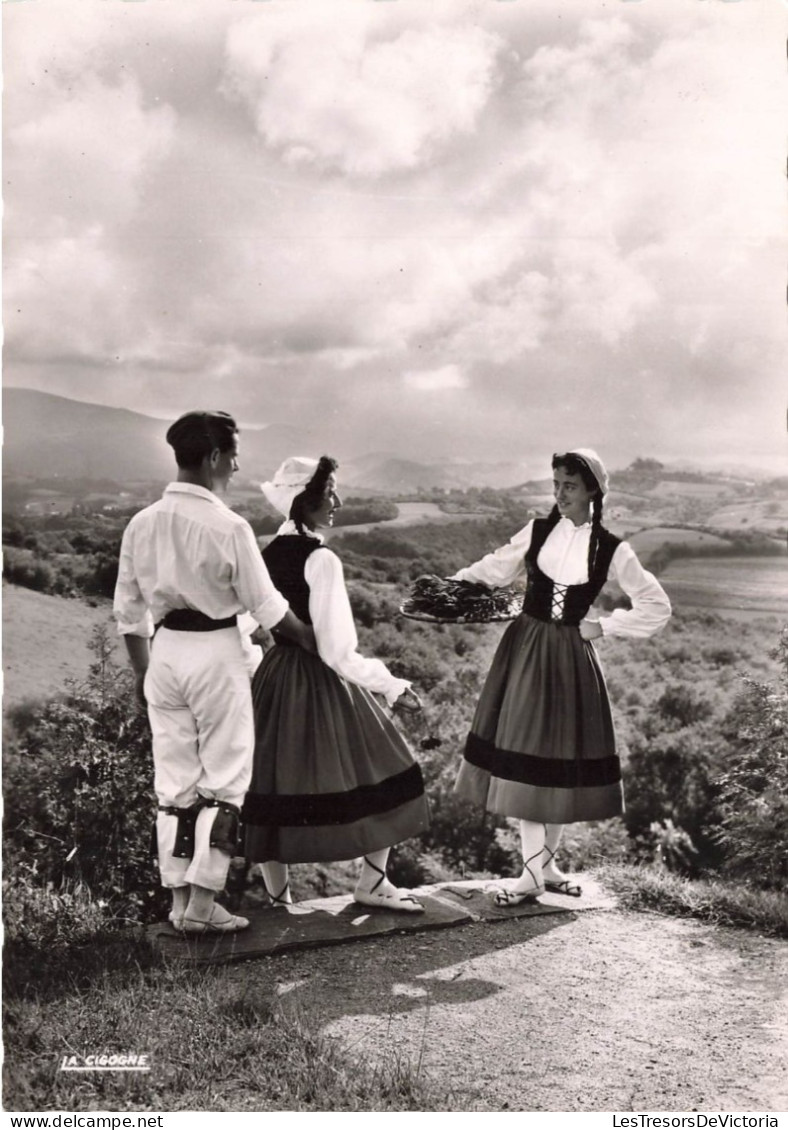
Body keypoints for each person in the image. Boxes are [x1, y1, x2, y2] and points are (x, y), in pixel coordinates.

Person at [113, 411, 315, 935]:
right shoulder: (229, 526)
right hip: (215, 650)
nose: (238, 463)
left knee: (174, 782)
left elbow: (129, 612)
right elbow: (268, 607)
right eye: (233, 454)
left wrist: (143, 674)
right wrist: (316, 639)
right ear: (212, 459)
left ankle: (180, 901)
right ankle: (203, 903)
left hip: (164, 653)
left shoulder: (142, 522)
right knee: (226, 780)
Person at [451, 448, 671, 905]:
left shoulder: (612, 548)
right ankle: (536, 872)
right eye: (555, 485)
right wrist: (448, 589)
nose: (560, 493)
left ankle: (541, 870)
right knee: (528, 759)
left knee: (555, 764)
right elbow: (491, 569)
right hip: (527, 653)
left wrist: (603, 625)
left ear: (593, 489)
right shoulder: (536, 531)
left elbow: (656, 606)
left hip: (571, 659)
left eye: (569, 485)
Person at [242, 455, 430, 912]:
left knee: (270, 784)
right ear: (303, 501)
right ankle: (373, 882)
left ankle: (278, 900)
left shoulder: (266, 553)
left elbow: (248, 622)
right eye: (329, 494)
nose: (338, 502)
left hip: (273, 677)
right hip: (320, 680)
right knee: (391, 771)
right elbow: (337, 650)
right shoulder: (321, 559)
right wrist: (390, 686)